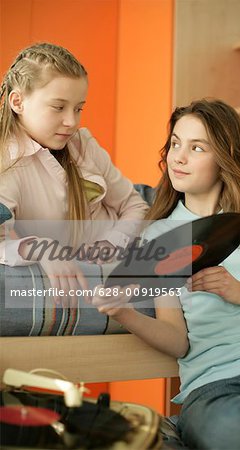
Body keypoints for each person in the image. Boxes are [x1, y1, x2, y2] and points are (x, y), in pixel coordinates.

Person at [93, 99, 240, 449]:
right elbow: (177, 339)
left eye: (196, 147)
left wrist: (239, 292)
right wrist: (124, 313)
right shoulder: (157, 238)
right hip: (209, 383)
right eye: (175, 143)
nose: (178, 157)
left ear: (224, 157)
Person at [0, 42, 148, 305]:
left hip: (131, 240)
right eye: (58, 107)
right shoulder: (6, 168)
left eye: (79, 108)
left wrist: (113, 242)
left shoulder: (83, 144)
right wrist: (42, 248)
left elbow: (134, 204)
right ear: (17, 102)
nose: (72, 122)